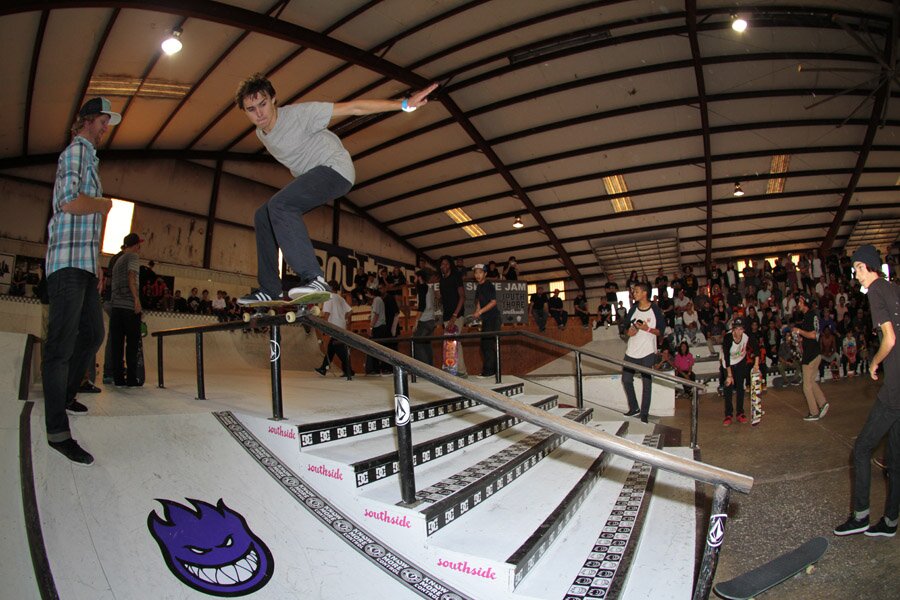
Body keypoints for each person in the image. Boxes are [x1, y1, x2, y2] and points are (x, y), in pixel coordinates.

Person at [234, 73, 437, 305]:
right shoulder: (261, 133)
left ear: (274, 100)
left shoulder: (300, 115)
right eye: (251, 109)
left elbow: (354, 107)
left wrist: (403, 104)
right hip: (315, 177)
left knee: (280, 205)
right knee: (263, 215)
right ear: (245, 112)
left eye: (263, 104)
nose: (260, 114)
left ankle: (314, 278)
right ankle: (269, 289)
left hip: (335, 170)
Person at [41, 97, 121, 465]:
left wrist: (100, 264)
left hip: (85, 265)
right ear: (90, 120)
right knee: (60, 346)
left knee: (93, 334)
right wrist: (104, 204)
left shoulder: (91, 158)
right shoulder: (75, 152)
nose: (108, 128)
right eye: (105, 121)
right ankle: (57, 431)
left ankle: (68, 393)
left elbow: (85, 218)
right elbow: (68, 202)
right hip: (66, 264)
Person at [834, 245, 900, 538]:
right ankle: (890, 520)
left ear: (870, 266)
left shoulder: (875, 290)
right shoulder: (892, 288)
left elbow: (890, 338)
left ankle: (860, 515)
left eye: (858, 268)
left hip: (894, 391)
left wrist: (874, 362)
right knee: (895, 459)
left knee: (861, 450)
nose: (855, 274)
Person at [621, 282, 665, 423]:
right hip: (632, 350)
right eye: (633, 291)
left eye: (637, 291)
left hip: (647, 352)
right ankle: (634, 408)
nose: (634, 293)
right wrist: (630, 332)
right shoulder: (633, 309)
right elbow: (626, 328)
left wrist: (647, 329)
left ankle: (644, 413)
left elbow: (660, 331)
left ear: (645, 293)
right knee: (626, 379)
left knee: (647, 383)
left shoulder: (655, 309)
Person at [109, 232, 144, 388]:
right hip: (129, 306)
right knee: (132, 343)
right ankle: (131, 378)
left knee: (117, 343)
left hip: (116, 307)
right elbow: (131, 276)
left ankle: (118, 378)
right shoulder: (133, 257)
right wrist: (136, 299)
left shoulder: (117, 261)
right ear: (136, 245)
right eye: (139, 245)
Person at [793, 293, 829, 421]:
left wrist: (799, 331)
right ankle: (823, 403)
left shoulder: (809, 315)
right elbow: (811, 335)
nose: (798, 304)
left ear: (805, 303)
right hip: (815, 353)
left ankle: (814, 412)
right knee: (811, 381)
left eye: (800, 302)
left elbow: (813, 335)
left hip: (810, 356)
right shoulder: (812, 315)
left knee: (806, 386)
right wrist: (801, 339)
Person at [721, 318, 760, 426]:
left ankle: (740, 413)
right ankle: (728, 414)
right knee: (728, 387)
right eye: (736, 329)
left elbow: (756, 349)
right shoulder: (728, 338)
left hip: (740, 360)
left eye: (741, 329)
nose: (739, 332)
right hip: (727, 363)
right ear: (733, 330)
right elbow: (726, 356)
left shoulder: (747, 335)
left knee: (740, 387)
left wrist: (756, 365)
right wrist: (729, 375)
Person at [315, 280, 353, 378]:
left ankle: (349, 370)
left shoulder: (328, 298)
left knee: (339, 349)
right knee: (331, 348)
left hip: (334, 327)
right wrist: (344, 318)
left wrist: (323, 328)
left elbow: (326, 314)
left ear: (330, 288)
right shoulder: (341, 298)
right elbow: (350, 311)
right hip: (341, 326)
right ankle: (324, 368)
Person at [437, 256, 467, 377]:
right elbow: (444, 300)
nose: (442, 266)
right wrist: (438, 298)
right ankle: (451, 370)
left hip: (457, 315)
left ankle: (462, 371)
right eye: (441, 264)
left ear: (450, 265)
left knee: (456, 343)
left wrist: (455, 316)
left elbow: (462, 297)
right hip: (446, 316)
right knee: (449, 344)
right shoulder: (441, 280)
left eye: (445, 264)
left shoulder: (456, 277)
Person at [471, 264, 501, 377]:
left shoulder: (488, 285)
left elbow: (493, 302)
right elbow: (478, 301)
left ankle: (490, 372)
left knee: (488, 345)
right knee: (484, 346)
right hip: (486, 319)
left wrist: (480, 312)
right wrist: (477, 312)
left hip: (493, 318)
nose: (477, 275)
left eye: (480, 272)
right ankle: (492, 371)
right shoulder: (479, 286)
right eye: (476, 273)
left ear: (485, 274)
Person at [412, 269, 436, 366]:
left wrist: (416, 322)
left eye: (415, 278)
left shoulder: (422, 288)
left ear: (420, 278)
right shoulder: (429, 288)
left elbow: (422, 306)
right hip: (431, 320)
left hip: (424, 320)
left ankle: (424, 368)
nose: (414, 280)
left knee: (417, 342)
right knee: (426, 345)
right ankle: (430, 367)